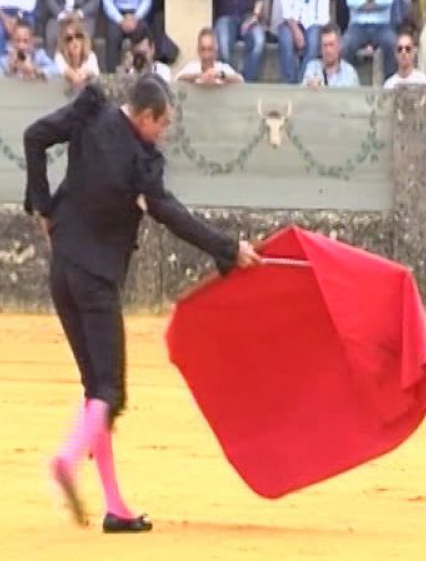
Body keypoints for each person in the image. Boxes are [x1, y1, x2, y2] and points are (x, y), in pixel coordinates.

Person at [23, 75, 262, 533]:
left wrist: (45, 208)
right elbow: (173, 215)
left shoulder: (90, 114)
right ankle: (67, 459)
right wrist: (229, 249)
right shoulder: (140, 163)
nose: (164, 133)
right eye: (163, 123)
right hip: (95, 282)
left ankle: (115, 506)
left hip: (62, 272)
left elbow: (34, 137)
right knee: (109, 391)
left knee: (96, 391)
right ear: (146, 116)